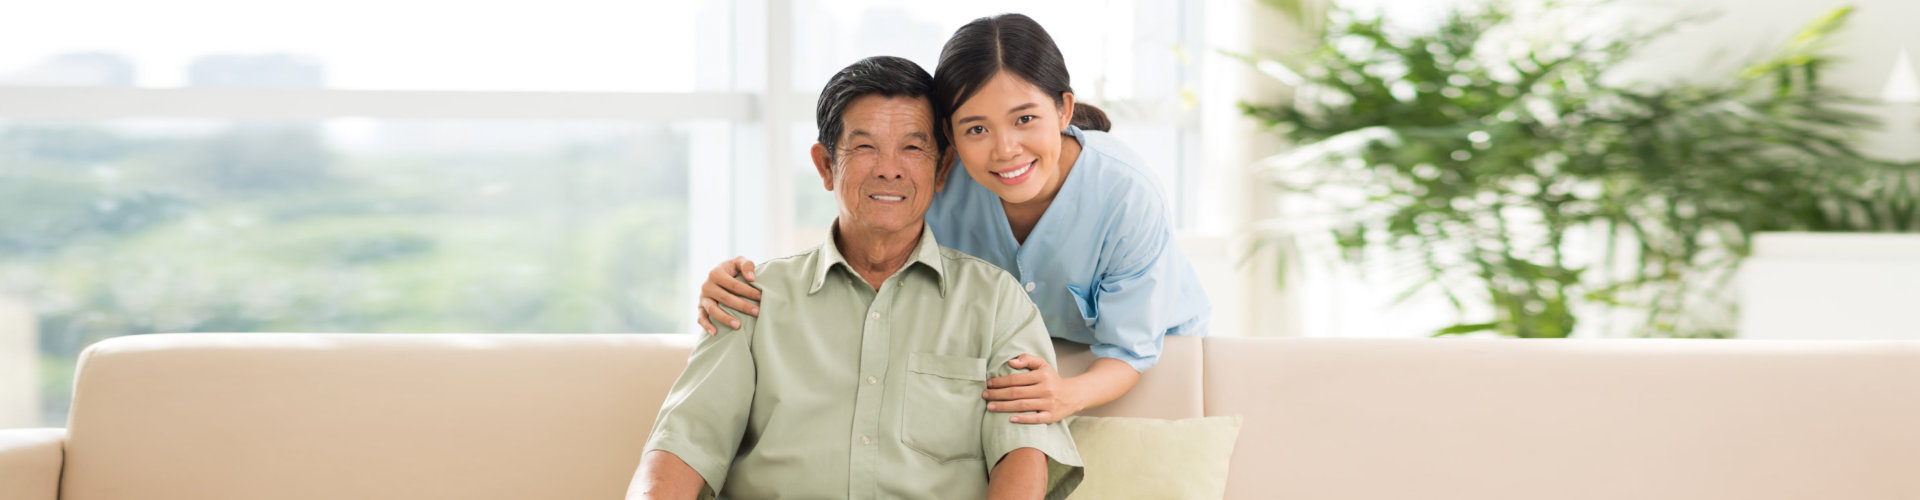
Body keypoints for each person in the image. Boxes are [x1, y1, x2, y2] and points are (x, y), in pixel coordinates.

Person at [696, 13, 1210, 424]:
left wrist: (1067, 394)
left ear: (1063, 109)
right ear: (949, 135)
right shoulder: (938, 178)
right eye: (976, 128)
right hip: (1013, 353)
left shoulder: (1125, 192)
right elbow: (863, 242)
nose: (1005, 150)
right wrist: (741, 284)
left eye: (1025, 119)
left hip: (1139, 357)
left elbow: (1130, 349)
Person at [629, 56, 1081, 500]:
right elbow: (681, 449)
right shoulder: (749, 299)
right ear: (826, 166)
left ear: (942, 167)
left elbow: (1022, 457)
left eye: (912, 147)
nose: (889, 168)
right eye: (865, 146)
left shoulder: (998, 301)